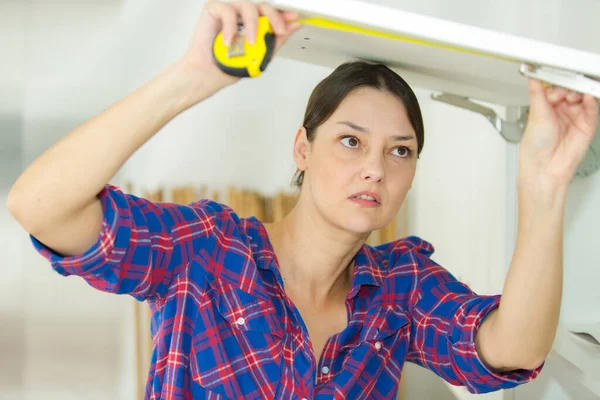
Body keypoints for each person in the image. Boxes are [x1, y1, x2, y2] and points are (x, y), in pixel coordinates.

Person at [7, 0, 599, 399]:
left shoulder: (401, 288)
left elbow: (512, 348)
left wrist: (543, 185)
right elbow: (40, 206)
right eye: (350, 141)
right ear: (302, 148)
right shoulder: (209, 252)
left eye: (400, 151)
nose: (374, 168)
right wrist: (195, 75)